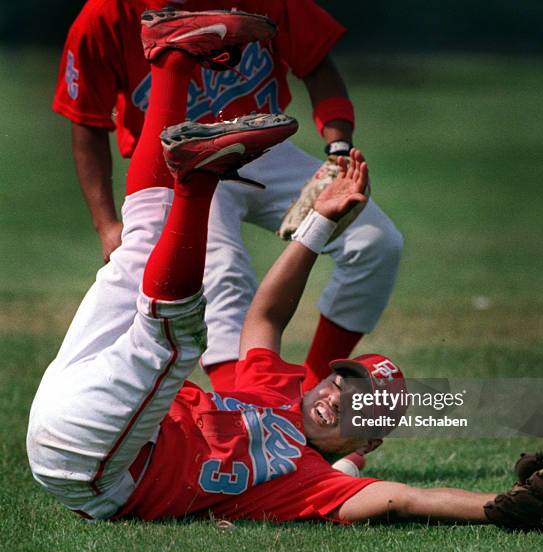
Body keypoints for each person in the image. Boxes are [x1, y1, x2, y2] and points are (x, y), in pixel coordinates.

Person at [28, 11, 543, 530]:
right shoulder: (273, 393)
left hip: (101, 467)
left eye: (361, 410)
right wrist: (318, 225)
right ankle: (171, 59)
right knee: (142, 240)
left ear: (364, 443)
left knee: (177, 337)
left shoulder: (306, 478)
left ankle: (198, 182)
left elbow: (404, 498)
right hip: (78, 410)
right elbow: (266, 314)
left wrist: (499, 507)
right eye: (344, 380)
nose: (340, 397)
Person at [52, 0, 404, 393]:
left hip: (265, 149)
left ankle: (309, 391)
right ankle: (246, 408)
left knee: (375, 241)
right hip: (179, 168)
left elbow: (317, 63)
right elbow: (86, 121)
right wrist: (106, 225)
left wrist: (339, 149)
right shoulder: (107, 13)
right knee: (221, 274)